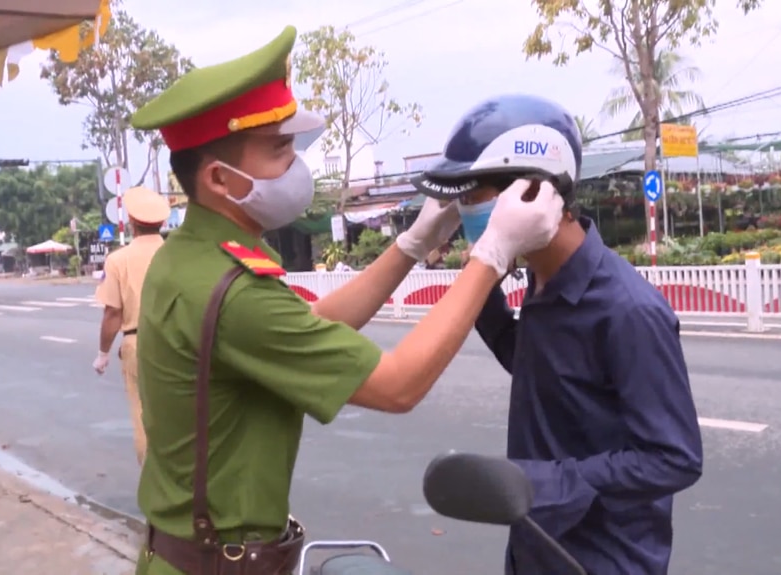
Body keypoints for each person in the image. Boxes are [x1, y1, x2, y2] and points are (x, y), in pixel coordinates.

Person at [129, 26, 566, 575]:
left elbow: (310, 323)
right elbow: (398, 385)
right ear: (220, 178)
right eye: (279, 149)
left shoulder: (192, 257)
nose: (296, 165)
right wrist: (492, 256)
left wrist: (410, 245)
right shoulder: (233, 289)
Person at [413, 94, 704, 575]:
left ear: (532, 192)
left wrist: (541, 483)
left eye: (473, 195)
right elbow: (531, 362)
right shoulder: (539, 278)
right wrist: (483, 281)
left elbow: (674, 459)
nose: (463, 210)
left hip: (602, 558)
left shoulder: (626, 309)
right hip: (535, 547)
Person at [93, 186, 171, 466]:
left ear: (131, 221)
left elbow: (113, 313)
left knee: (144, 418)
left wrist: (103, 353)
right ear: (163, 223)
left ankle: (157, 491)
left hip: (139, 344)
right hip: (182, 342)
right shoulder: (177, 254)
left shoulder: (118, 260)